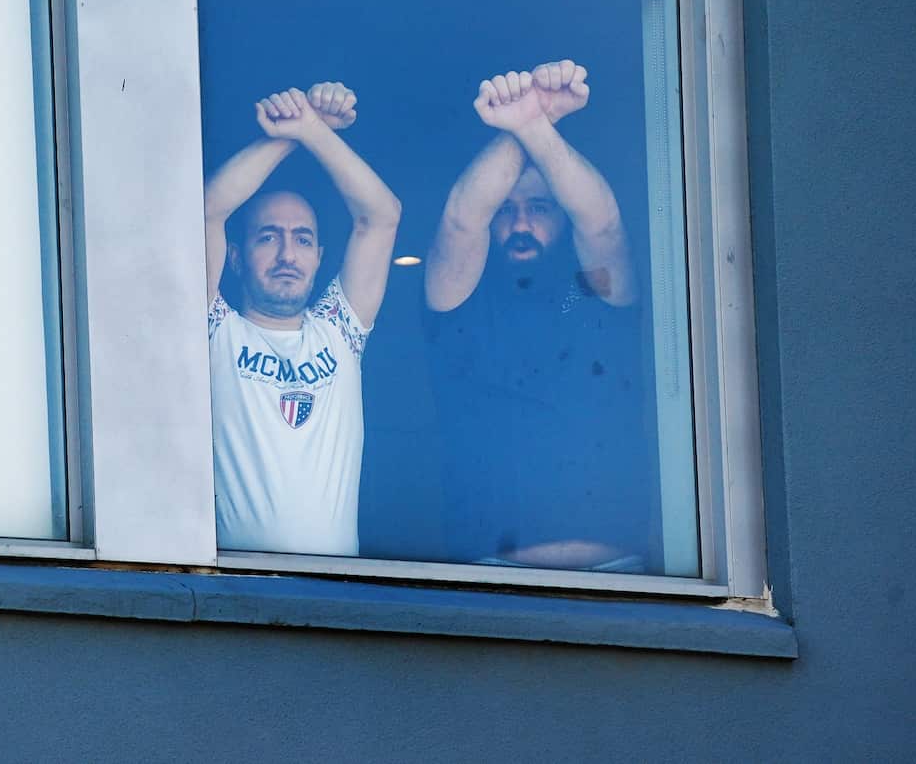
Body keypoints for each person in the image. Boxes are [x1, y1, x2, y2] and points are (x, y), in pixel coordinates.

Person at [423, 60, 653, 572]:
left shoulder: (589, 296)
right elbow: (462, 217)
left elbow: (603, 223)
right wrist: (529, 120)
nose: (521, 222)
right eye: (507, 209)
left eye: (539, 208)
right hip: (495, 581)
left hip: (621, 581)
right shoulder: (463, 302)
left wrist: (534, 126)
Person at [205, 81, 401, 556]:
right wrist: (290, 133)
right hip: (233, 588)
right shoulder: (215, 330)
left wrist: (314, 131)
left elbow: (382, 215)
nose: (288, 254)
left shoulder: (338, 331)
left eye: (303, 239)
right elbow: (209, 210)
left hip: (335, 592)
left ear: (319, 258)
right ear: (236, 257)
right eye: (268, 238)